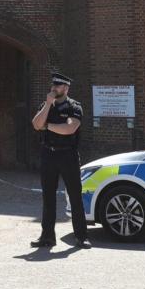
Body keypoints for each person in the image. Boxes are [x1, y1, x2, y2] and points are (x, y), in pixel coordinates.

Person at [30, 72, 90, 248]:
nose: (53, 88)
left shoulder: (74, 107)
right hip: (49, 154)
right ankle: (47, 237)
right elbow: (36, 124)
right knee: (48, 197)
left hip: (68, 155)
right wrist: (48, 104)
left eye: (57, 85)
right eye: (52, 85)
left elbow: (69, 128)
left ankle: (81, 236)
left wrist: (48, 126)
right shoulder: (46, 105)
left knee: (75, 196)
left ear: (66, 88)